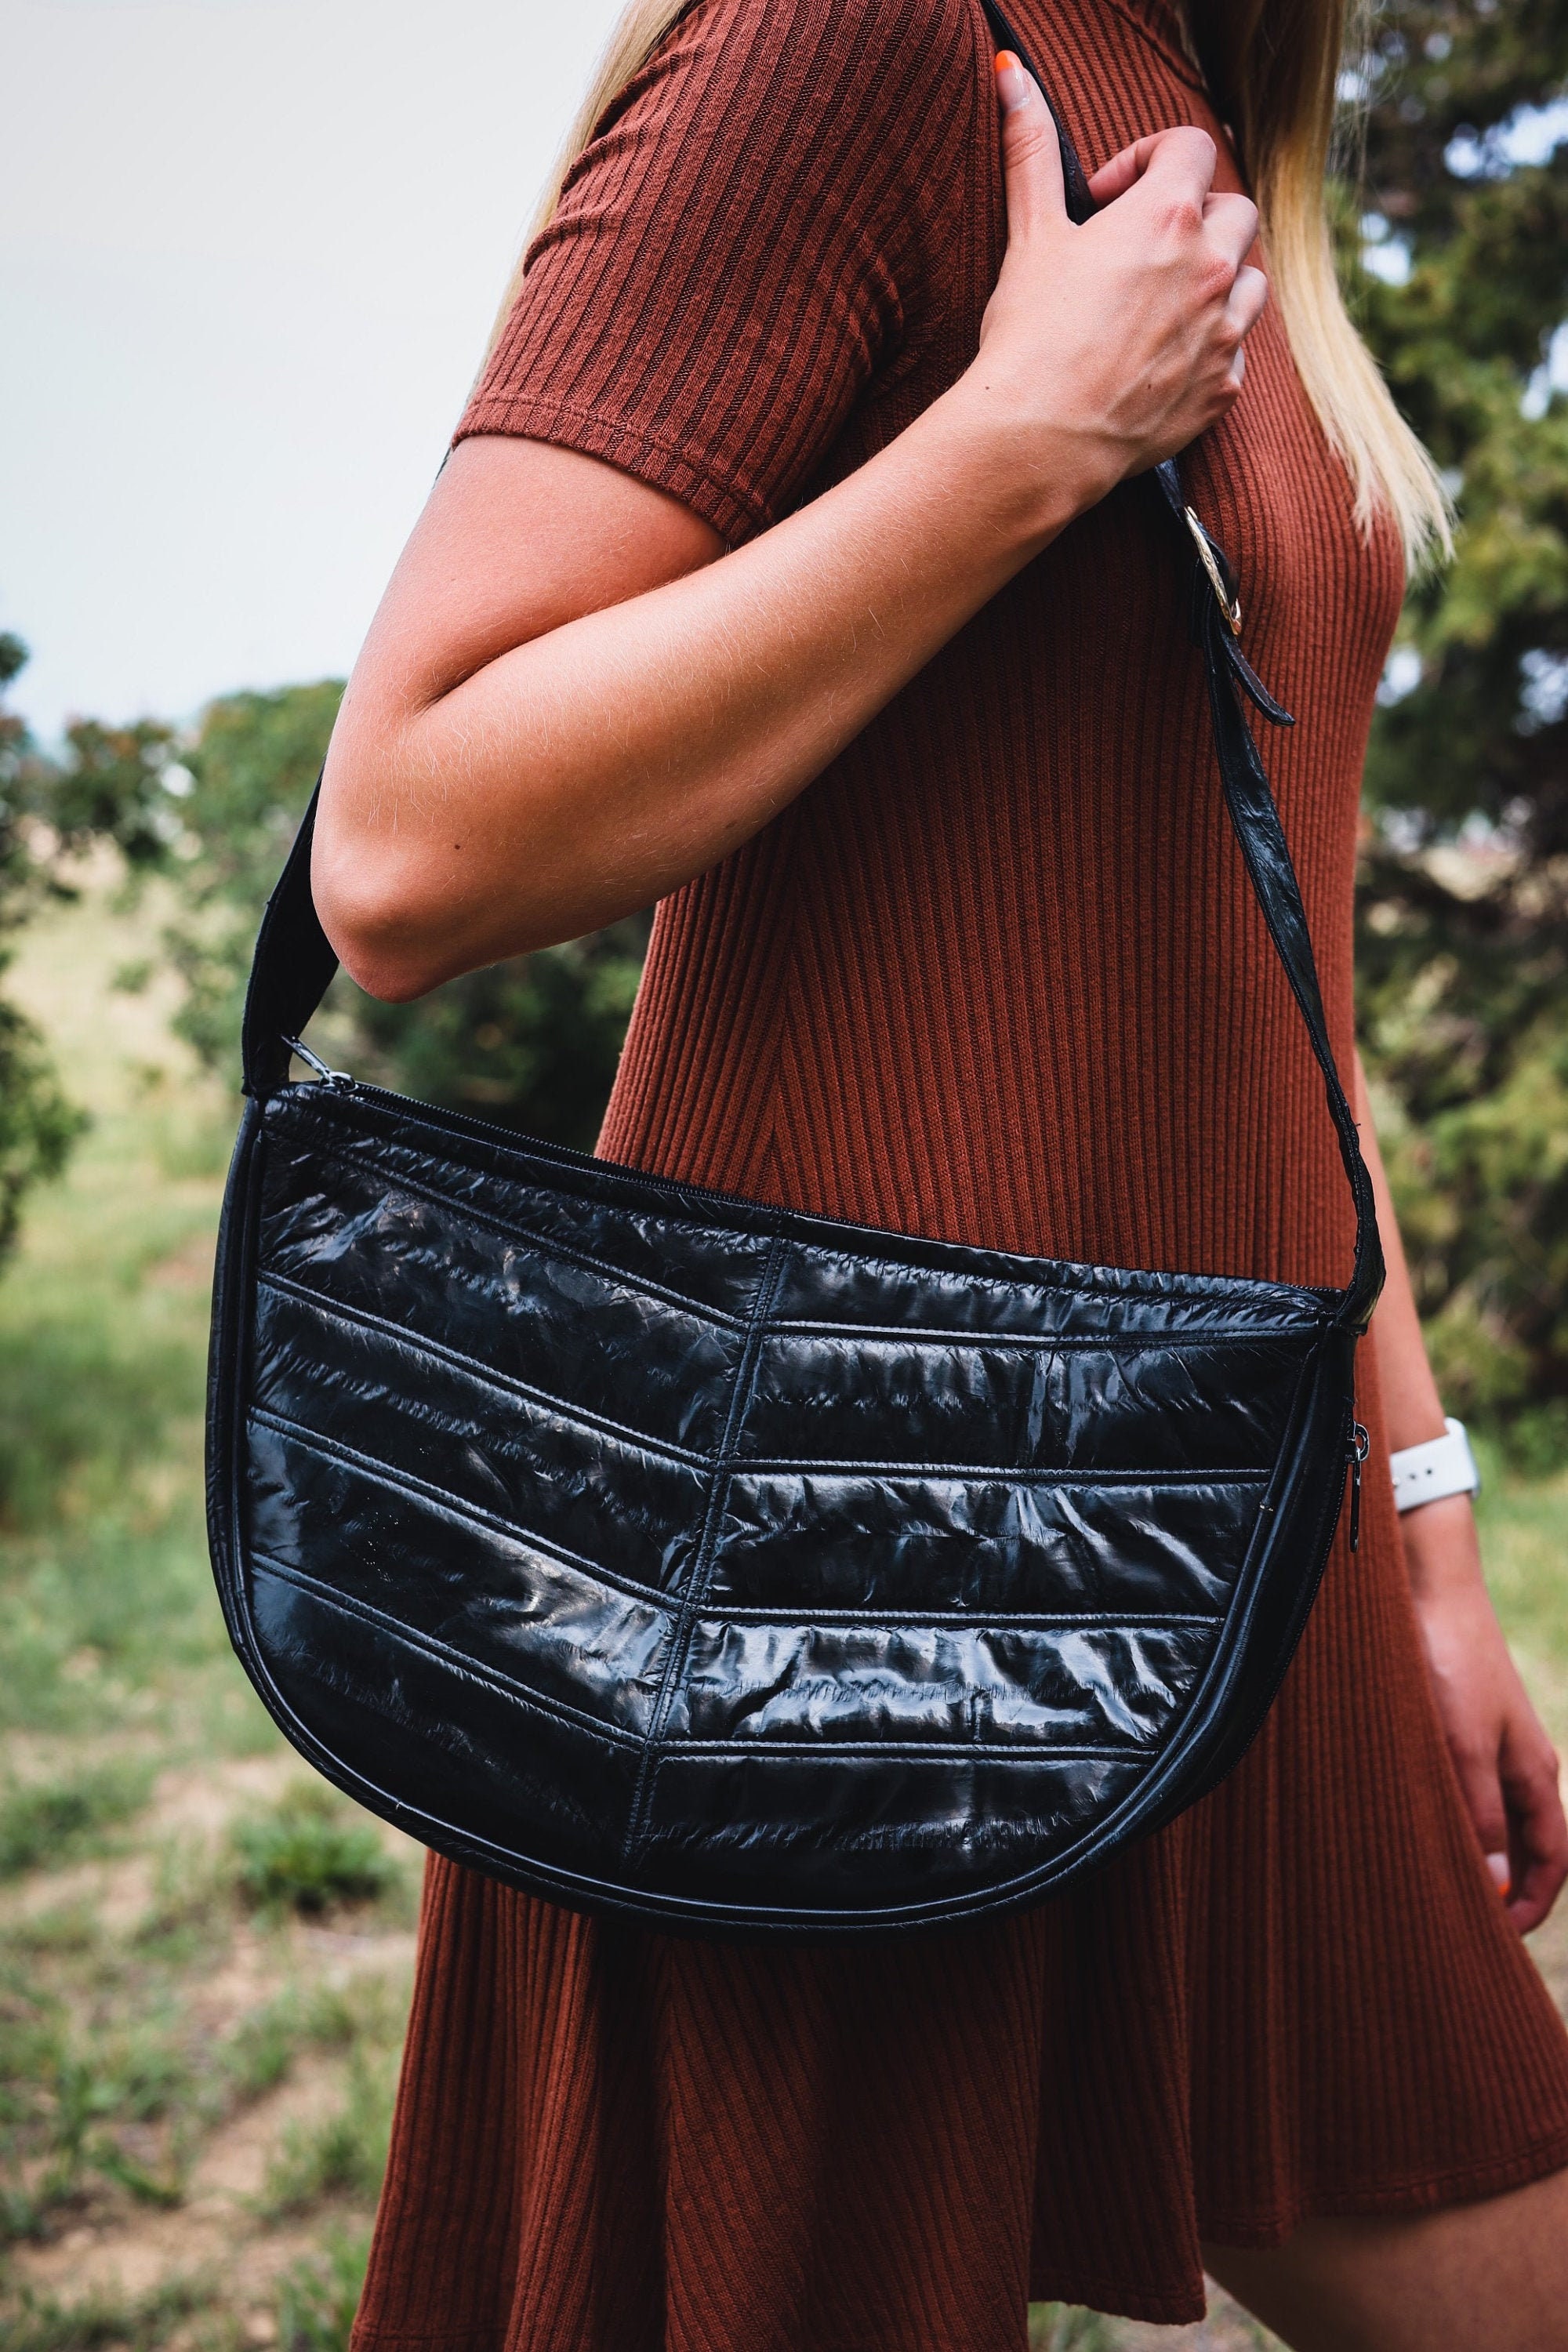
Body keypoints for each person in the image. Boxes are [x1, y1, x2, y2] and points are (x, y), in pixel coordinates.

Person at [313, 0, 1568, 2343]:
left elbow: (1280, 977)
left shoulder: (1206, 131)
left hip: (1241, 1515)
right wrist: (1021, 436)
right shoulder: (870, 43)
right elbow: (401, 839)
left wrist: (1431, 1534)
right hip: (841, 1542)